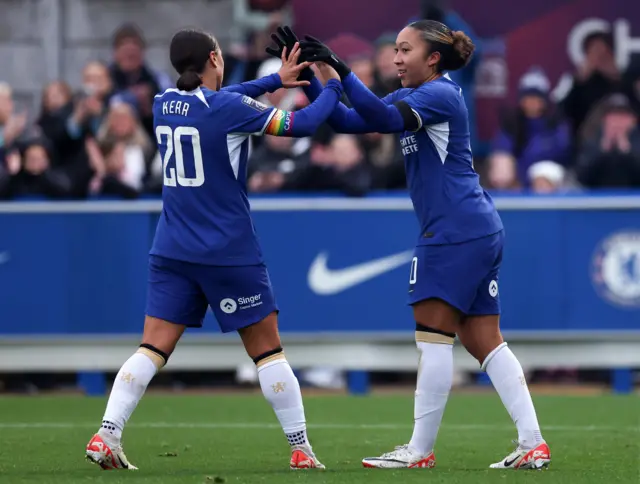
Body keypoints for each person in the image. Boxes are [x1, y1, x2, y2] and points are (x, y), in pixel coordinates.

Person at [268, 24, 551, 470]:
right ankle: (532, 443)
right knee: (484, 341)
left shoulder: (438, 95)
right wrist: (315, 76)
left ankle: (419, 450)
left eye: (405, 50)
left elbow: (378, 119)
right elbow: (344, 118)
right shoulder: (420, 97)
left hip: (454, 232)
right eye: (396, 50)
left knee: (433, 339)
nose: (396, 58)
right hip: (472, 228)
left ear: (433, 58)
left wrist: (340, 67)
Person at [84, 27, 344, 471]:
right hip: (228, 250)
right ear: (214, 59)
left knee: (152, 348)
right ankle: (301, 448)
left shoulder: (164, 103)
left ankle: (106, 433)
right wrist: (334, 82)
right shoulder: (226, 109)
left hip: (172, 249)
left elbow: (222, 99)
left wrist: (272, 80)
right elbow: (304, 123)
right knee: (267, 351)